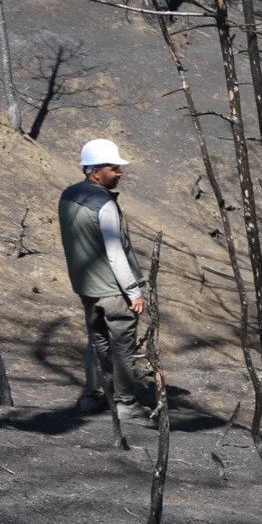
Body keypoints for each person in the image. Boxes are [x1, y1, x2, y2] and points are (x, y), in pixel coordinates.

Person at [58, 139, 148, 418]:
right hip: (114, 291)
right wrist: (133, 291)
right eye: (114, 168)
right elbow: (114, 253)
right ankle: (126, 404)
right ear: (96, 172)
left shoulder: (67, 196)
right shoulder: (105, 204)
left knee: (96, 342)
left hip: (86, 287)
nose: (120, 172)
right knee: (123, 346)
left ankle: (91, 397)